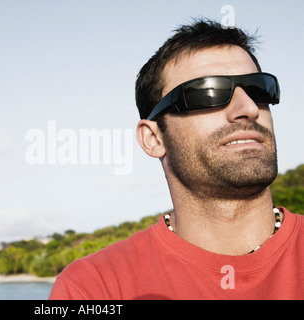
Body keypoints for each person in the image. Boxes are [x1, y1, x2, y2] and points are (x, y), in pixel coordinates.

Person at [49, 18, 304, 300]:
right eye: (207, 92)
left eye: (258, 90)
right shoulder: (94, 288)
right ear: (153, 138)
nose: (247, 109)